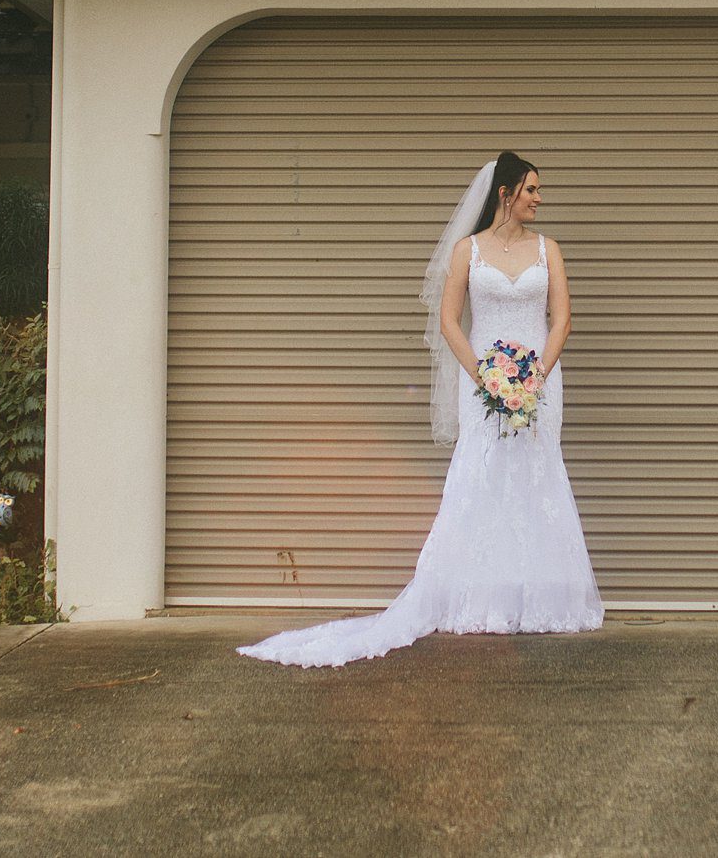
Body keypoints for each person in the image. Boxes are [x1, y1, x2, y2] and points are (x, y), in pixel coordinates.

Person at [237, 151, 604, 666]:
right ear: (505, 193)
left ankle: (541, 599)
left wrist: (534, 378)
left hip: (540, 382)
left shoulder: (550, 250)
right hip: (483, 382)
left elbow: (562, 319)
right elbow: (450, 320)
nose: (539, 199)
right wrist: (485, 376)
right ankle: (479, 598)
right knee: (483, 476)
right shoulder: (467, 251)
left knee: (536, 473)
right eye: (532, 190)